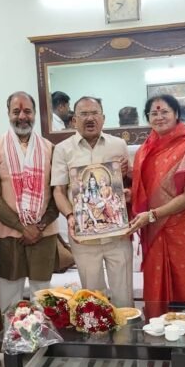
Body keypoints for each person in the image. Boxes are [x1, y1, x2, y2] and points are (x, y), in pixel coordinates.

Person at [128, 94, 185, 366]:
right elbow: (144, 192)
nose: (159, 117)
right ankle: (162, 346)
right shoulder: (144, 150)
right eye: (153, 113)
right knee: (157, 286)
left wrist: (153, 214)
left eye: (164, 111)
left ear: (177, 114)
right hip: (155, 229)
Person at [52, 96, 133, 308]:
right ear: (74, 120)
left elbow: (131, 184)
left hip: (117, 234)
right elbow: (58, 191)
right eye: (84, 114)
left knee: (124, 296)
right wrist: (70, 215)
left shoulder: (119, 145)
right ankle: (99, 330)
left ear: (103, 118)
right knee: (93, 300)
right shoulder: (62, 149)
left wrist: (126, 182)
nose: (90, 118)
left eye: (95, 113)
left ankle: (126, 329)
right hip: (84, 237)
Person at [0, 91, 60, 311]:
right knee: (9, 295)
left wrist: (39, 226)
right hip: (8, 234)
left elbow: (58, 192)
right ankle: (12, 334)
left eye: (27, 111)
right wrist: (21, 227)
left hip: (43, 233)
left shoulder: (50, 148)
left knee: (42, 296)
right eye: (16, 111)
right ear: (8, 114)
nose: (22, 116)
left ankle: (42, 335)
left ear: (35, 113)